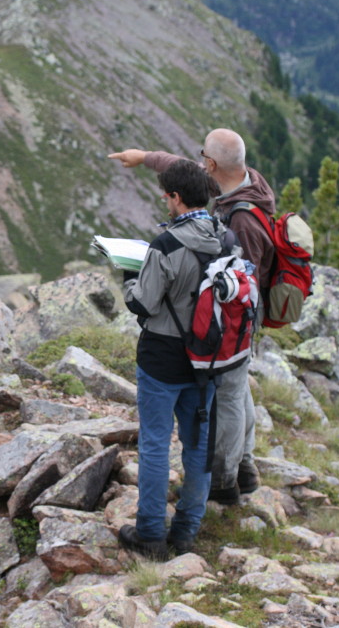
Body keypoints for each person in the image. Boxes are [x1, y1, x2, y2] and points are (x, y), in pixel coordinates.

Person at [109, 128, 275, 505]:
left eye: (203, 157)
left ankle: (227, 481)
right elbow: (183, 171)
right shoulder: (241, 185)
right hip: (226, 318)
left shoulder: (242, 220)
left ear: (212, 165)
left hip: (233, 319)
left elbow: (235, 284)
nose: (200, 162)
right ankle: (243, 468)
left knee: (229, 395)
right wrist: (145, 156)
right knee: (235, 391)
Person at [116, 158, 223, 560]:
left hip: (162, 358)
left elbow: (142, 302)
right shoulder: (225, 237)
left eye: (166, 195)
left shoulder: (166, 245)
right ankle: (186, 532)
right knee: (198, 445)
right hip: (208, 361)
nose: (165, 200)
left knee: (157, 445)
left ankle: (149, 535)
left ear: (177, 198)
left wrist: (128, 274)